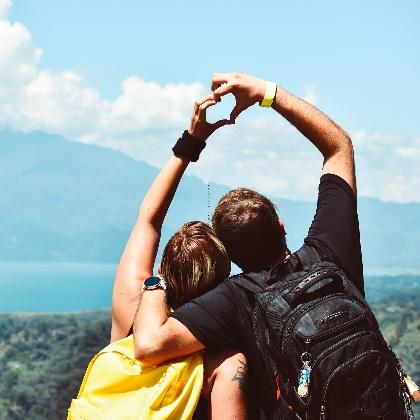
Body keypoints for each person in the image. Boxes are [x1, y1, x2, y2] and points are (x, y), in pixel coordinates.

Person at [130, 72, 392, 417]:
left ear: (230, 254)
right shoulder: (329, 253)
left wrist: (157, 280)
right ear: (281, 226)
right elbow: (339, 146)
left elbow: (148, 344)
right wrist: (266, 93)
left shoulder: (234, 299)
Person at [110, 94, 247, 419]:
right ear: (222, 282)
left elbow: (148, 219)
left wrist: (192, 142)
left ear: (162, 269)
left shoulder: (131, 305)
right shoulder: (224, 360)